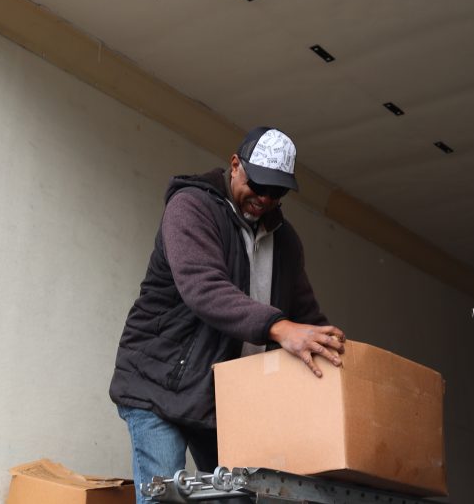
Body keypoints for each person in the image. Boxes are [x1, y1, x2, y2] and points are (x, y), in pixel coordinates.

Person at [109, 126, 345, 502]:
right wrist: (279, 328)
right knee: (166, 497)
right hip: (157, 383)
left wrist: (341, 359)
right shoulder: (191, 207)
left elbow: (305, 314)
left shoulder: (285, 241)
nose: (265, 198)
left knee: (239, 497)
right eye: (258, 185)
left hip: (223, 400)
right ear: (235, 165)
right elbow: (204, 288)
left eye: (277, 191)